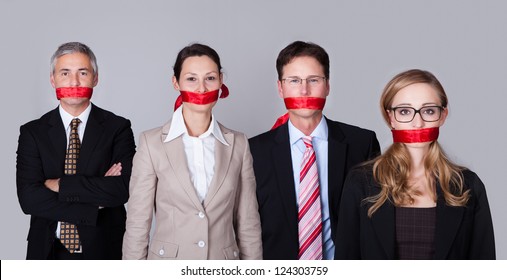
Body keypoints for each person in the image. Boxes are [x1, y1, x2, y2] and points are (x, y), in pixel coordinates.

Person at [335, 69, 495, 259]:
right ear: (390, 118)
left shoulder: (468, 186)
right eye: (404, 111)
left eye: (428, 111)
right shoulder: (360, 182)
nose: (417, 123)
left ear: (442, 115)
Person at [122, 43, 262, 260]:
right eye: (191, 79)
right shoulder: (151, 143)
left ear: (221, 81)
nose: (201, 88)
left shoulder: (239, 144)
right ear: (175, 83)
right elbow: (138, 223)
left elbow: (248, 223)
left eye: (210, 78)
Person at [249, 41, 380, 260]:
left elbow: (375, 220)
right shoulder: (254, 151)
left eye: (313, 80)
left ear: (327, 85)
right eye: (294, 81)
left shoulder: (362, 143)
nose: (304, 90)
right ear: (280, 88)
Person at [16, 42, 136, 259]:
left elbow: (122, 189)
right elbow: (29, 198)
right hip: (46, 251)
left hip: (104, 251)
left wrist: (59, 185)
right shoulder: (32, 132)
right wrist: (94, 204)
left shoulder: (118, 128)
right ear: (53, 80)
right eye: (65, 73)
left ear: (95, 78)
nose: (74, 81)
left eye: (83, 72)